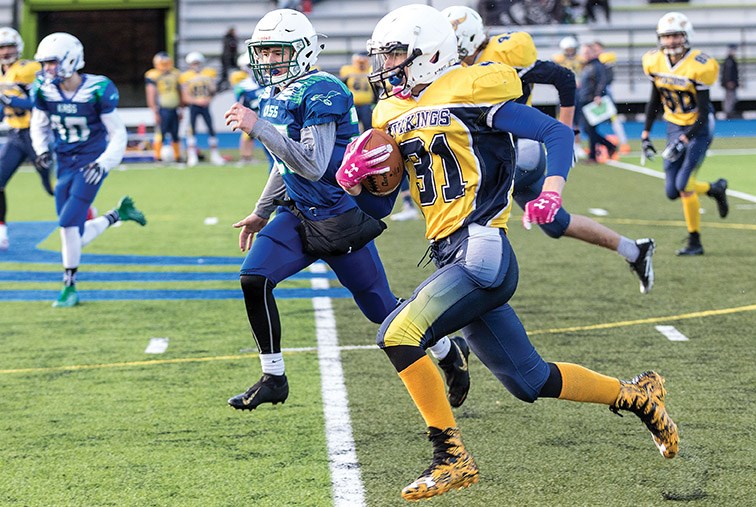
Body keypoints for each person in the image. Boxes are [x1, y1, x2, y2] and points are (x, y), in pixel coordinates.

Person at [338, 5, 678, 501]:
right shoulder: (389, 113)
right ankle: (638, 397)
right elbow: (385, 200)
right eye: (382, 55)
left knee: (398, 333)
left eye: (393, 54)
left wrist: (552, 192)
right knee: (529, 379)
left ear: (428, 53)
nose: (384, 65)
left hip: (481, 248)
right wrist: (358, 182)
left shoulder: (471, 86)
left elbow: (555, 132)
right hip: (446, 253)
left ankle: (451, 457)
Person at [223, 9, 469, 411]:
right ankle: (273, 376)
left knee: (381, 309)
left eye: (276, 53)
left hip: (337, 215)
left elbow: (313, 164)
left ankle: (446, 350)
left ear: (302, 52)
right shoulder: (275, 95)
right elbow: (285, 166)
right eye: (263, 53)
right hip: (297, 211)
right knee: (253, 278)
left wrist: (258, 128)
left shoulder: (323, 89)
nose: (268, 62)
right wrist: (262, 210)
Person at [443, 6, 655, 294]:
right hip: (497, 149)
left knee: (475, 203)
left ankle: (473, 285)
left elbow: (565, 79)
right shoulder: (459, 67)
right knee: (557, 225)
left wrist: (566, 132)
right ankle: (634, 250)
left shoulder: (502, 54)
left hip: (521, 149)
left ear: (465, 40)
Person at [30, 32, 146, 307]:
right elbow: (39, 122)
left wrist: (104, 163)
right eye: (44, 63)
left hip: (91, 163)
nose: (47, 69)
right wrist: (41, 149)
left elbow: (118, 133)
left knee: (67, 223)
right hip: (64, 161)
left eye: (52, 62)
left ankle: (69, 287)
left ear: (70, 59)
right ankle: (118, 214)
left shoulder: (97, 89)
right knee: (72, 231)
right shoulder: (44, 89)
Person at [641, 12, 729, 256]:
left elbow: (702, 113)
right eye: (667, 37)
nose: (671, 42)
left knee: (684, 184)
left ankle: (695, 241)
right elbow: (654, 99)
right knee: (671, 191)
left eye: (676, 35)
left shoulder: (700, 65)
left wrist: (685, 138)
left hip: (698, 128)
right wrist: (646, 133)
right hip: (673, 125)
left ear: (686, 36)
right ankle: (715, 188)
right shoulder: (653, 61)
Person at [0, 27, 53, 250]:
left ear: (18, 47)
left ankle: (87, 212)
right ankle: (1, 231)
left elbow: (40, 102)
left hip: (35, 134)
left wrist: (10, 101)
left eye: (9, 46)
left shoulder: (30, 68)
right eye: (2, 47)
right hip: (14, 135)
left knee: (51, 187)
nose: (5, 51)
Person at [180, 51, 224, 166]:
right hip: (193, 106)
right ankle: (192, 155)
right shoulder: (185, 76)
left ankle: (215, 154)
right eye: (194, 63)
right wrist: (197, 101)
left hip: (205, 105)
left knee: (211, 129)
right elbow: (185, 96)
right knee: (191, 130)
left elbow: (213, 90)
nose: (196, 65)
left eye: (197, 62)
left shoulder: (208, 73)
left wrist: (208, 98)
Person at [230, 52, 271, 168]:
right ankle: (245, 157)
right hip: (252, 112)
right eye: (250, 65)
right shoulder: (242, 85)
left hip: (267, 113)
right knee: (247, 135)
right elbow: (239, 102)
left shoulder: (270, 81)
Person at [577, 42, 617, 163]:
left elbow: (602, 81)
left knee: (589, 129)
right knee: (588, 129)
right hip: (584, 99)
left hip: (591, 100)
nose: (585, 55)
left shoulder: (597, 65)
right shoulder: (587, 65)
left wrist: (598, 95)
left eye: (587, 52)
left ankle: (595, 154)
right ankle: (607, 147)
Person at [145, 51, 182, 163]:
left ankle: (177, 156)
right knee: (161, 132)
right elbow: (151, 93)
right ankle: (157, 156)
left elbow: (179, 91)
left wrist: (180, 108)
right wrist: (154, 110)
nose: (165, 66)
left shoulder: (175, 74)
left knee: (175, 133)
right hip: (162, 108)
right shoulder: (153, 75)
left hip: (174, 107)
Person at [593, 40, 629, 154]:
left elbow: (606, 78)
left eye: (597, 49)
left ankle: (623, 142)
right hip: (594, 93)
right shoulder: (593, 62)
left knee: (614, 118)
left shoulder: (605, 60)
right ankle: (596, 144)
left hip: (604, 92)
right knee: (592, 121)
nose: (596, 52)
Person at [552, 36, 585, 158]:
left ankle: (577, 145)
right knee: (560, 120)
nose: (570, 52)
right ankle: (559, 146)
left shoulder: (581, 60)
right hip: (563, 92)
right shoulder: (558, 59)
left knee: (575, 120)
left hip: (576, 92)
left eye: (572, 49)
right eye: (568, 49)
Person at [339, 52, 374, 133]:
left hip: (366, 104)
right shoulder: (348, 70)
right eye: (359, 62)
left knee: (368, 127)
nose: (361, 65)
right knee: (351, 126)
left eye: (363, 62)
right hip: (353, 104)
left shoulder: (370, 70)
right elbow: (342, 83)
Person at [720, 43, 739, 119]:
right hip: (730, 83)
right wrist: (729, 81)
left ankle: (729, 112)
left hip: (731, 82)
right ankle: (728, 113)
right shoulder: (729, 61)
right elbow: (728, 72)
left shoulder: (730, 60)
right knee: (729, 98)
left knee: (731, 98)